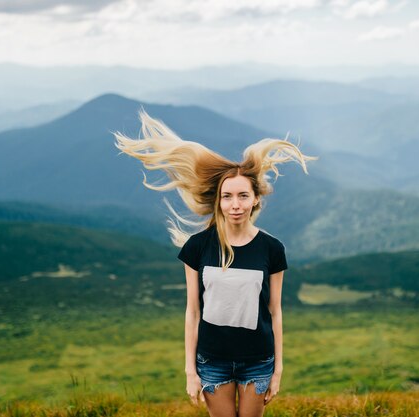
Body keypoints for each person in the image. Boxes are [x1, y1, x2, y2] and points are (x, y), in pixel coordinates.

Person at [114, 109, 315, 417]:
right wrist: (189, 371)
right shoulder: (198, 247)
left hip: (258, 360)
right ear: (218, 201)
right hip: (212, 361)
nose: (235, 205)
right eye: (228, 196)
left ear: (255, 199)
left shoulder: (272, 249)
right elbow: (193, 311)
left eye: (243, 196)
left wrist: (278, 370)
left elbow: (275, 311)